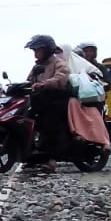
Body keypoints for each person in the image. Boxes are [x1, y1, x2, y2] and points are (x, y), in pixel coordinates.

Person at [25, 35, 71, 171]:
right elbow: (28, 80)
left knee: (48, 125)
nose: (35, 53)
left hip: (56, 100)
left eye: (38, 50)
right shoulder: (36, 66)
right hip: (40, 100)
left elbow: (62, 77)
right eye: (34, 51)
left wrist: (45, 84)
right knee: (26, 121)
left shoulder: (58, 63)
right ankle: (32, 157)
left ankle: (50, 160)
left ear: (47, 50)